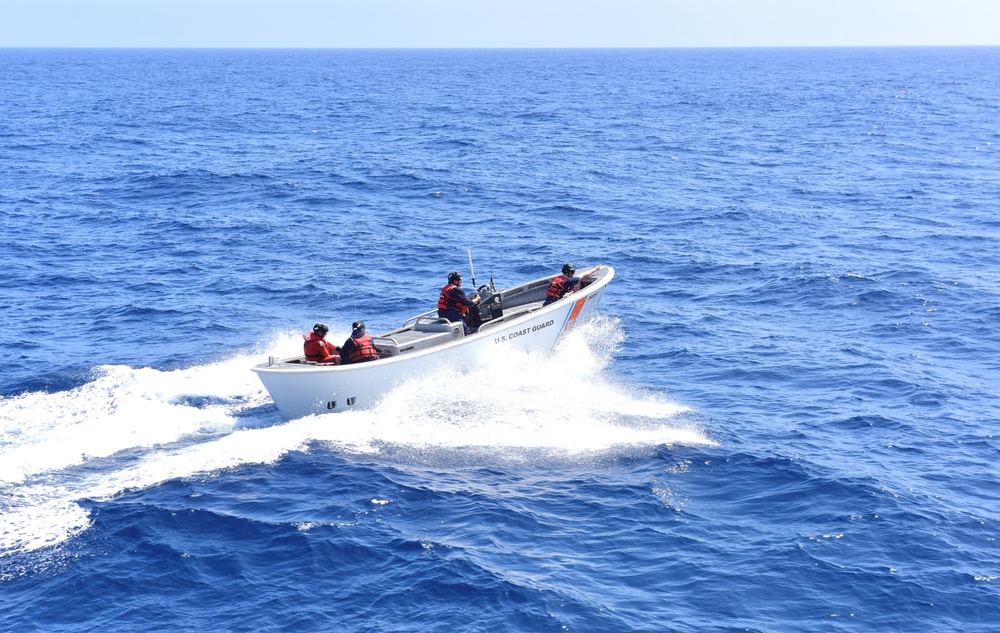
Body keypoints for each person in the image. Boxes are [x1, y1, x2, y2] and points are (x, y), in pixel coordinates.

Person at [437, 271, 481, 335]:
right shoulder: (457, 290)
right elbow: (468, 302)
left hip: (441, 313)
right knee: (465, 330)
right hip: (452, 314)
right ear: (455, 281)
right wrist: (477, 299)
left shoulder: (447, 288)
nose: (461, 282)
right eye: (460, 280)